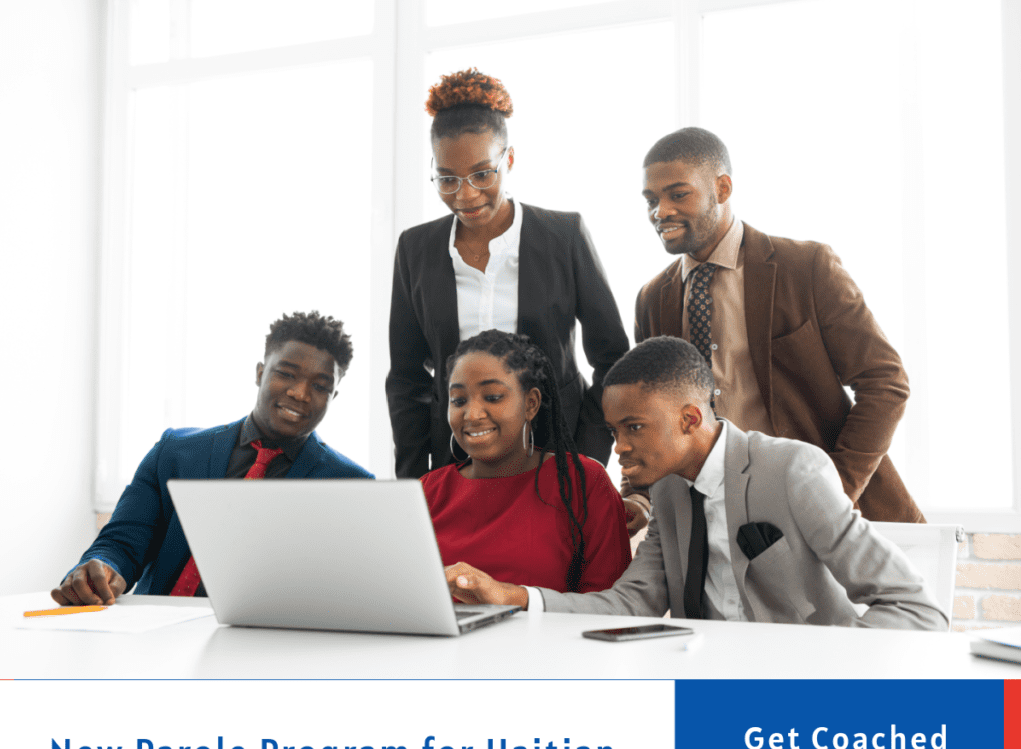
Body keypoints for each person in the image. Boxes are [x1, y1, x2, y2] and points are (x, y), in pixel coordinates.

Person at [446, 338, 947, 631]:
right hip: (704, 686)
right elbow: (631, 603)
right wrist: (510, 595)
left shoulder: (794, 471)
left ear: (689, 418)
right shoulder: (667, 492)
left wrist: (820, 670)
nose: (618, 447)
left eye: (634, 428)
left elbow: (916, 608)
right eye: (614, 431)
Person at [620, 127, 921, 535]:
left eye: (678, 194)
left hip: (830, 519)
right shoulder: (653, 299)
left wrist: (834, 490)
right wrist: (639, 495)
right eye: (651, 200)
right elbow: (648, 415)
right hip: (713, 525)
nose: (661, 211)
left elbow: (885, 382)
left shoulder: (806, 267)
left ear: (722, 188)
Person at [386, 67, 629, 479]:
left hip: (555, 458)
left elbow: (613, 360)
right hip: (457, 464)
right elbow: (407, 378)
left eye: (483, 174)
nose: (465, 194)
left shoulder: (562, 236)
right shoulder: (416, 249)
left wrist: (583, 458)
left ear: (509, 159)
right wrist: (414, 480)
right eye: (446, 179)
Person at [52, 311, 372, 605]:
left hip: (265, 650)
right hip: (156, 635)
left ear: (334, 397)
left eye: (320, 385)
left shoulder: (352, 486)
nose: (300, 393)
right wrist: (103, 567)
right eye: (287, 374)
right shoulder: (175, 451)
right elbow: (122, 542)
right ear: (260, 373)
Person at [423, 330, 631, 598]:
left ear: (531, 404)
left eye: (493, 397)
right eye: (459, 401)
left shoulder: (583, 483)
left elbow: (610, 607)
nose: (472, 415)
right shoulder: (427, 492)